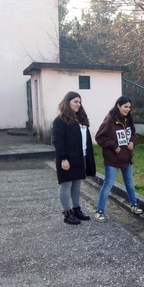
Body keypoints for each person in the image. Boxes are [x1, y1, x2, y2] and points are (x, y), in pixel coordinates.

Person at [94, 96, 142, 222]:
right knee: (108, 184)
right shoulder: (109, 121)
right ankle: (99, 211)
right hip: (113, 160)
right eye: (125, 107)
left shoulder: (128, 119)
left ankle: (134, 205)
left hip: (127, 158)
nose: (128, 109)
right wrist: (114, 145)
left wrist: (132, 142)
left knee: (129, 182)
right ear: (118, 106)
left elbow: (134, 134)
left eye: (129, 107)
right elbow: (99, 137)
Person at [52, 91, 96, 225]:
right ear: (68, 102)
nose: (78, 104)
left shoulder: (80, 119)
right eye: (75, 102)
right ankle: (67, 213)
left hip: (80, 157)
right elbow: (58, 142)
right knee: (66, 185)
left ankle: (77, 209)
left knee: (77, 185)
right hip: (67, 159)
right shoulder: (60, 120)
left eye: (80, 102)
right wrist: (64, 159)